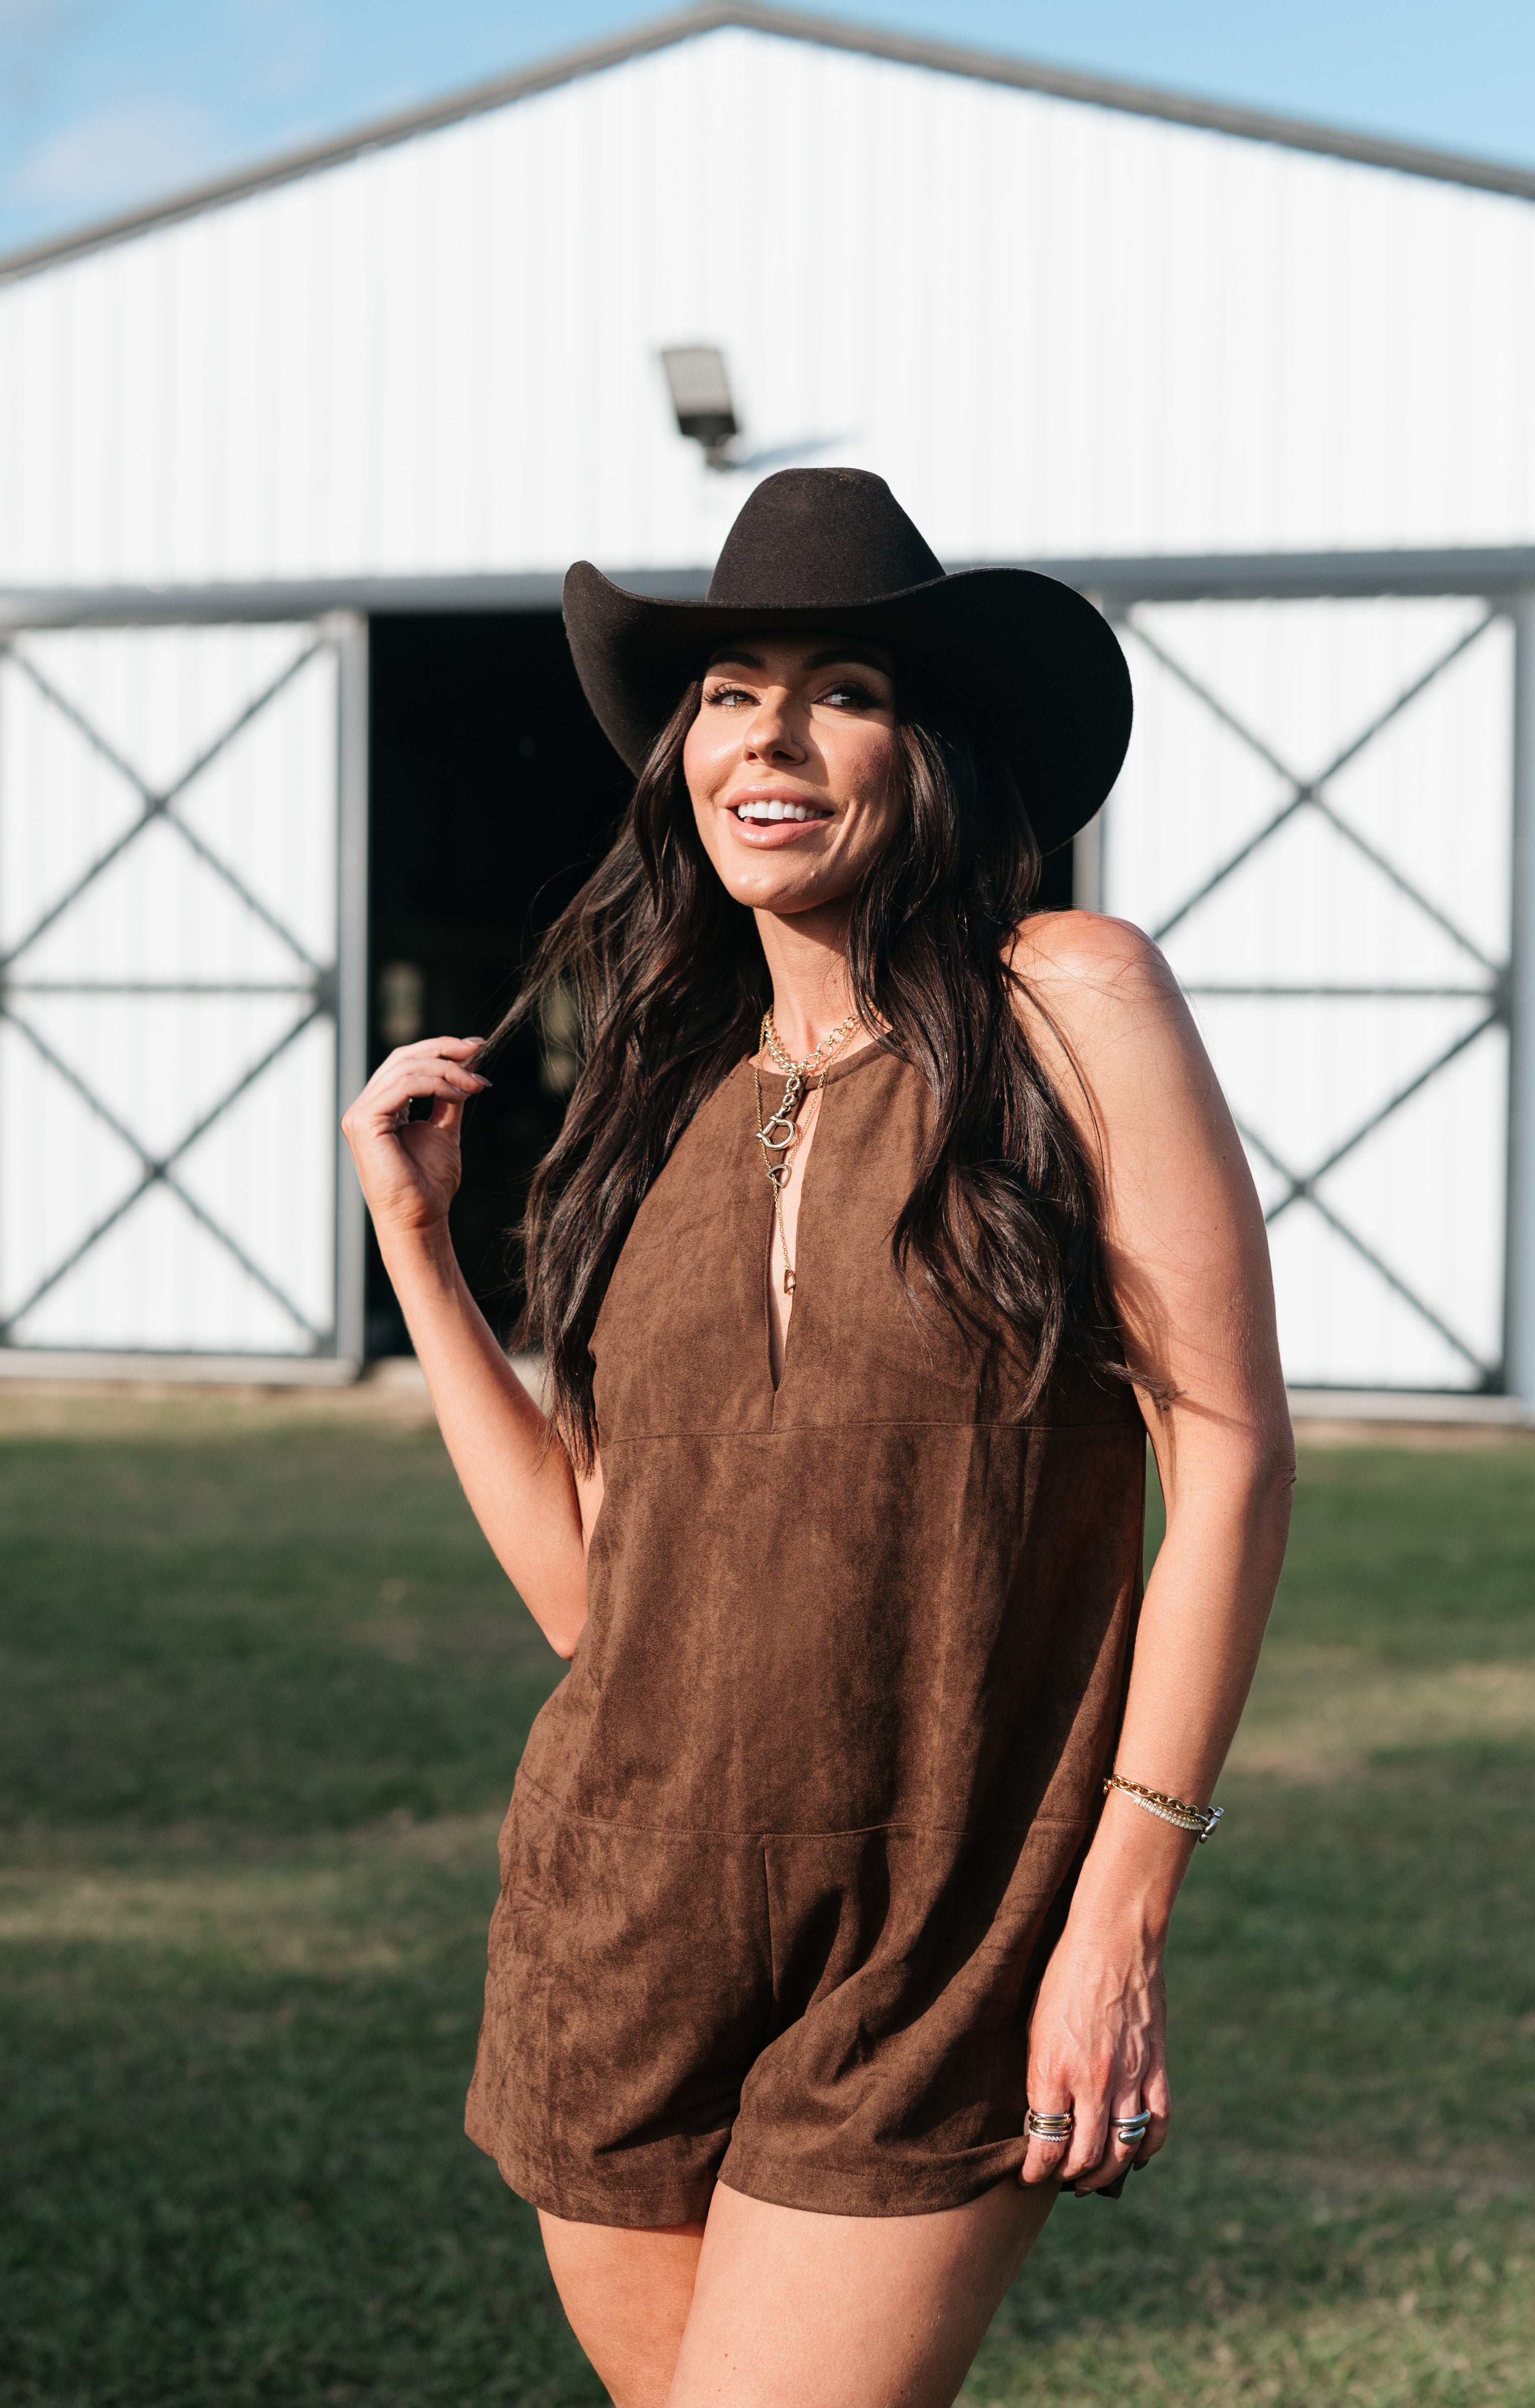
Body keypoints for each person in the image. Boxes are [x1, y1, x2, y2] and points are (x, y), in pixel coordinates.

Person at [340, 469, 1294, 2408]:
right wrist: (422, 1258)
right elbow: (597, 1599)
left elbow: (1235, 1463)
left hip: (951, 1926)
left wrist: (1121, 1905)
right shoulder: (659, 1085)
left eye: (836, 684)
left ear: (926, 749)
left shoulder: (1068, 1003)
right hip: (623, 1917)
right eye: (724, 691)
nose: (765, 736)